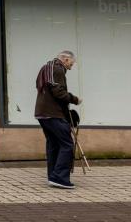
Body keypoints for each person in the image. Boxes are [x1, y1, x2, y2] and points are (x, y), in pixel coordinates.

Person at [35, 50, 82, 190]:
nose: (71, 67)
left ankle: (53, 177)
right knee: (67, 144)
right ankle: (60, 178)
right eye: (71, 63)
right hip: (53, 114)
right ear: (66, 59)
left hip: (42, 113)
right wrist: (75, 99)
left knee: (54, 144)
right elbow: (58, 92)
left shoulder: (46, 68)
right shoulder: (58, 69)